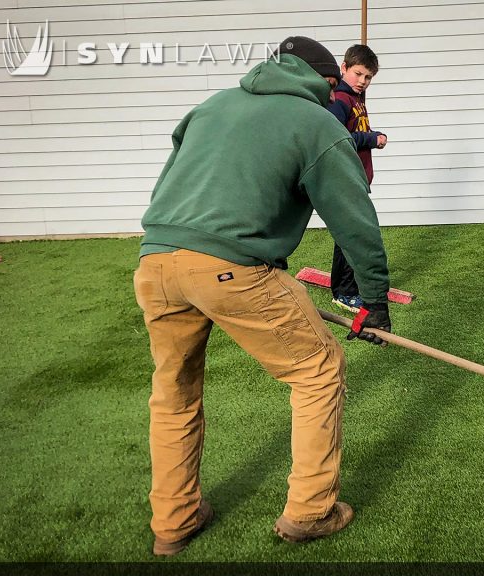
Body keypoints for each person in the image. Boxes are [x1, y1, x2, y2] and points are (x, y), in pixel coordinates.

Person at [133, 36, 392, 556]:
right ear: (325, 81)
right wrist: (374, 301)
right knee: (318, 370)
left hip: (155, 262)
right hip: (232, 269)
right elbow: (354, 219)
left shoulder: (210, 106)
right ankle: (312, 510)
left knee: (174, 391)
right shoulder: (318, 122)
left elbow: (168, 184)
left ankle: (174, 521)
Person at [326, 44, 388, 314]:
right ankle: (345, 292)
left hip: (358, 177)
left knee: (347, 236)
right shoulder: (340, 99)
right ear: (344, 68)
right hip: (345, 179)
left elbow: (356, 128)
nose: (363, 81)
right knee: (353, 235)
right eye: (358, 74)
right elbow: (337, 137)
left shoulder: (356, 97)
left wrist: (371, 133)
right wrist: (372, 139)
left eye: (368, 77)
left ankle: (343, 287)